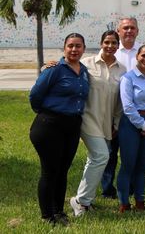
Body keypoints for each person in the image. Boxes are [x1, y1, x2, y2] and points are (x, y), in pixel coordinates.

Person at [29, 33, 90, 226]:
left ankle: (59, 211)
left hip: (72, 126)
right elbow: (35, 95)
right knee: (50, 171)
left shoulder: (84, 71)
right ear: (64, 48)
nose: (74, 49)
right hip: (49, 126)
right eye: (70, 46)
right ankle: (47, 216)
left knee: (62, 171)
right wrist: (45, 113)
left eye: (78, 46)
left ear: (83, 49)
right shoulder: (54, 69)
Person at [69, 30, 126, 217]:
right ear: (101, 43)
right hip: (87, 118)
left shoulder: (122, 69)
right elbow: (66, 68)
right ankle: (81, 201)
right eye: (107, 42)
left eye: (114, 43)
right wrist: (48, 66)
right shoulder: (86, 64)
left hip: (107, 122)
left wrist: (116, 124)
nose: (110, 46)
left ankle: (86, 199)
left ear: (118, 46)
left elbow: (120, 101)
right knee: (101, 156)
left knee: (94, 158)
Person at [101, 17, 141, 199]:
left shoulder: (142, 51)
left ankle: (129, 187)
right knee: (109, 152)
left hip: (134, 114)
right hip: (111, 109)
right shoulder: (111, 49)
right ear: (118, 31)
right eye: (125, 28)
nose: (129, 31)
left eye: (132, 28)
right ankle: (107, 188)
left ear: (137, 31)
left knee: (130, 153)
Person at [117, 45, 145, 211]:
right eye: (143, 56)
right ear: (137, 57)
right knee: (128, 164)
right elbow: (127, 106)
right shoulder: (128, 78)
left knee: (142, 165)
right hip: (131, 123)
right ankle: (124, 203)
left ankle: (140, 201)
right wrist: (142, 125)